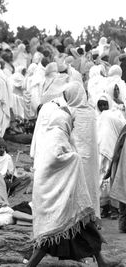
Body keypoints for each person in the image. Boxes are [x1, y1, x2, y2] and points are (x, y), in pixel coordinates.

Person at [27, 104, 117, 267]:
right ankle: (30, 265)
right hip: (56, 196)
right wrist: (75, 158)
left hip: (64, 195)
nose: (72, 126)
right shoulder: (57, 136)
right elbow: (55, 160)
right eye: (71, 122)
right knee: (52, 235)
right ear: (64, 122)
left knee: (85, 227)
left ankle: (102, 261)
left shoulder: (55, 135)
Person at [63, 81, 101, 219]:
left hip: (76, 155)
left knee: (77, 186)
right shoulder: (91, 110)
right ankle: (92, 216)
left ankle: (79, 218)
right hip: (91, 157)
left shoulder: (69, 111)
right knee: (90, 185)